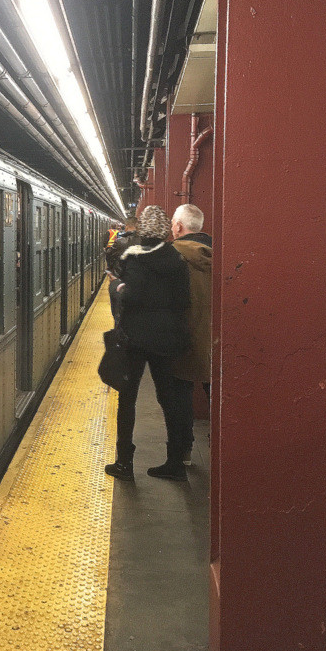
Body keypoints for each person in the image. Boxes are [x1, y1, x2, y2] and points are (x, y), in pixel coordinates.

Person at [105, 205, 190, 482]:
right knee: (169, 399)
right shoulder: (177, 261)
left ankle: (124, 463)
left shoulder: (136, 259)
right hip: (166, 338)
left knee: (127, 399)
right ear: (167, 230)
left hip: (136, 339)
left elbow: (132, 297)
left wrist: (117, 287)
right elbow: (183, 301)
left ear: (142, 231)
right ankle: (175, 462)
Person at [168, 203, 212, 469]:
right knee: (216, 393)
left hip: (182, 338)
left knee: (180, 397)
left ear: (179, 226)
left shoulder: (172, 255)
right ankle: (223, 442)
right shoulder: (219, 254)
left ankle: (183, 453)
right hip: (213, 338)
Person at [105, 216, 139, 324]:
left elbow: (109, 257)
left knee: (119, 315)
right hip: (139, 285)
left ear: (127, 226)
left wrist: (113, 273)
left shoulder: (119, 242)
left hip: (121, 282)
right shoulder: (145, 242)